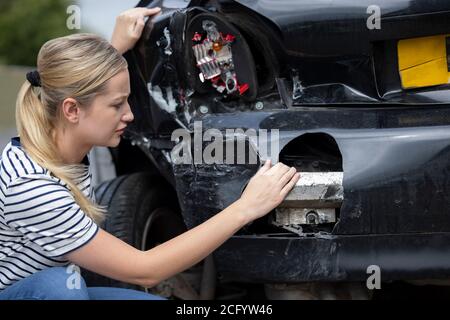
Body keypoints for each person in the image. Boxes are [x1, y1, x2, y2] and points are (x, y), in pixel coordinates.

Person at [0, 8, 300, 300]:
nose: (129, 115)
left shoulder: (58, 141)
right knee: (60, 288)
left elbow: (80, 85)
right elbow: (145, 270)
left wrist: (114, 47)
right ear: (71, 109)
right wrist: (246, 207)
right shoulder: (30, 187)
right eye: (117, 105)